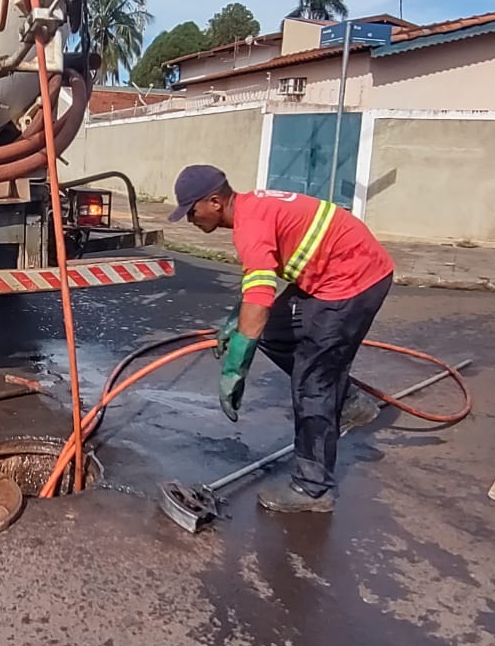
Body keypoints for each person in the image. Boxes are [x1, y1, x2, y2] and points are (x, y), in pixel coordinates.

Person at [168, 164, 395, 514]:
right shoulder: (252, 208)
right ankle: (348, 399)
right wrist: (236, 320)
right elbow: (264, 286)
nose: (189, 219)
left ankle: (313, 488)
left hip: (351, 283)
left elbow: (260, 298)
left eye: (191, 210)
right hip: (335, 273)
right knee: (272, 329)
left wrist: (235, 368)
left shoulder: (250, 227)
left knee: (312, 384)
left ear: (214, 201)